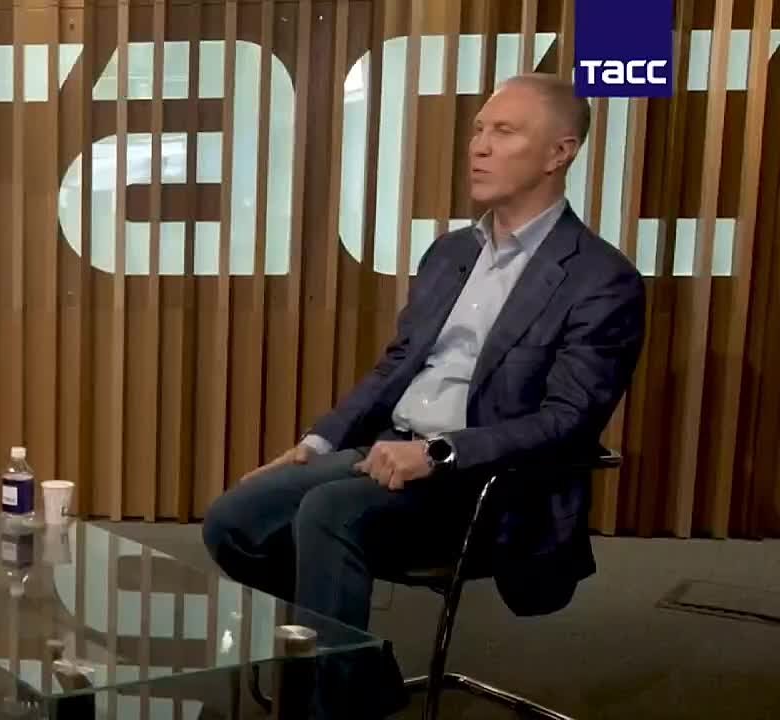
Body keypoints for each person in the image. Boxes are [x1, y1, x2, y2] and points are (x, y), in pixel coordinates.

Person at [203, 72, 646, 633]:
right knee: (233, 520)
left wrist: (439, 452)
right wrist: (317, 443)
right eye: (479, 129)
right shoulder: (450, 253)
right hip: (390, 451)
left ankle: (329, 681)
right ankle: (351, 666)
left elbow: (567, 422)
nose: (479, 146)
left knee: (328, 513)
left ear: (560, 153)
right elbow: (398, 364)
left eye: (504, 132)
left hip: (486, 483)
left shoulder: (600, 279)